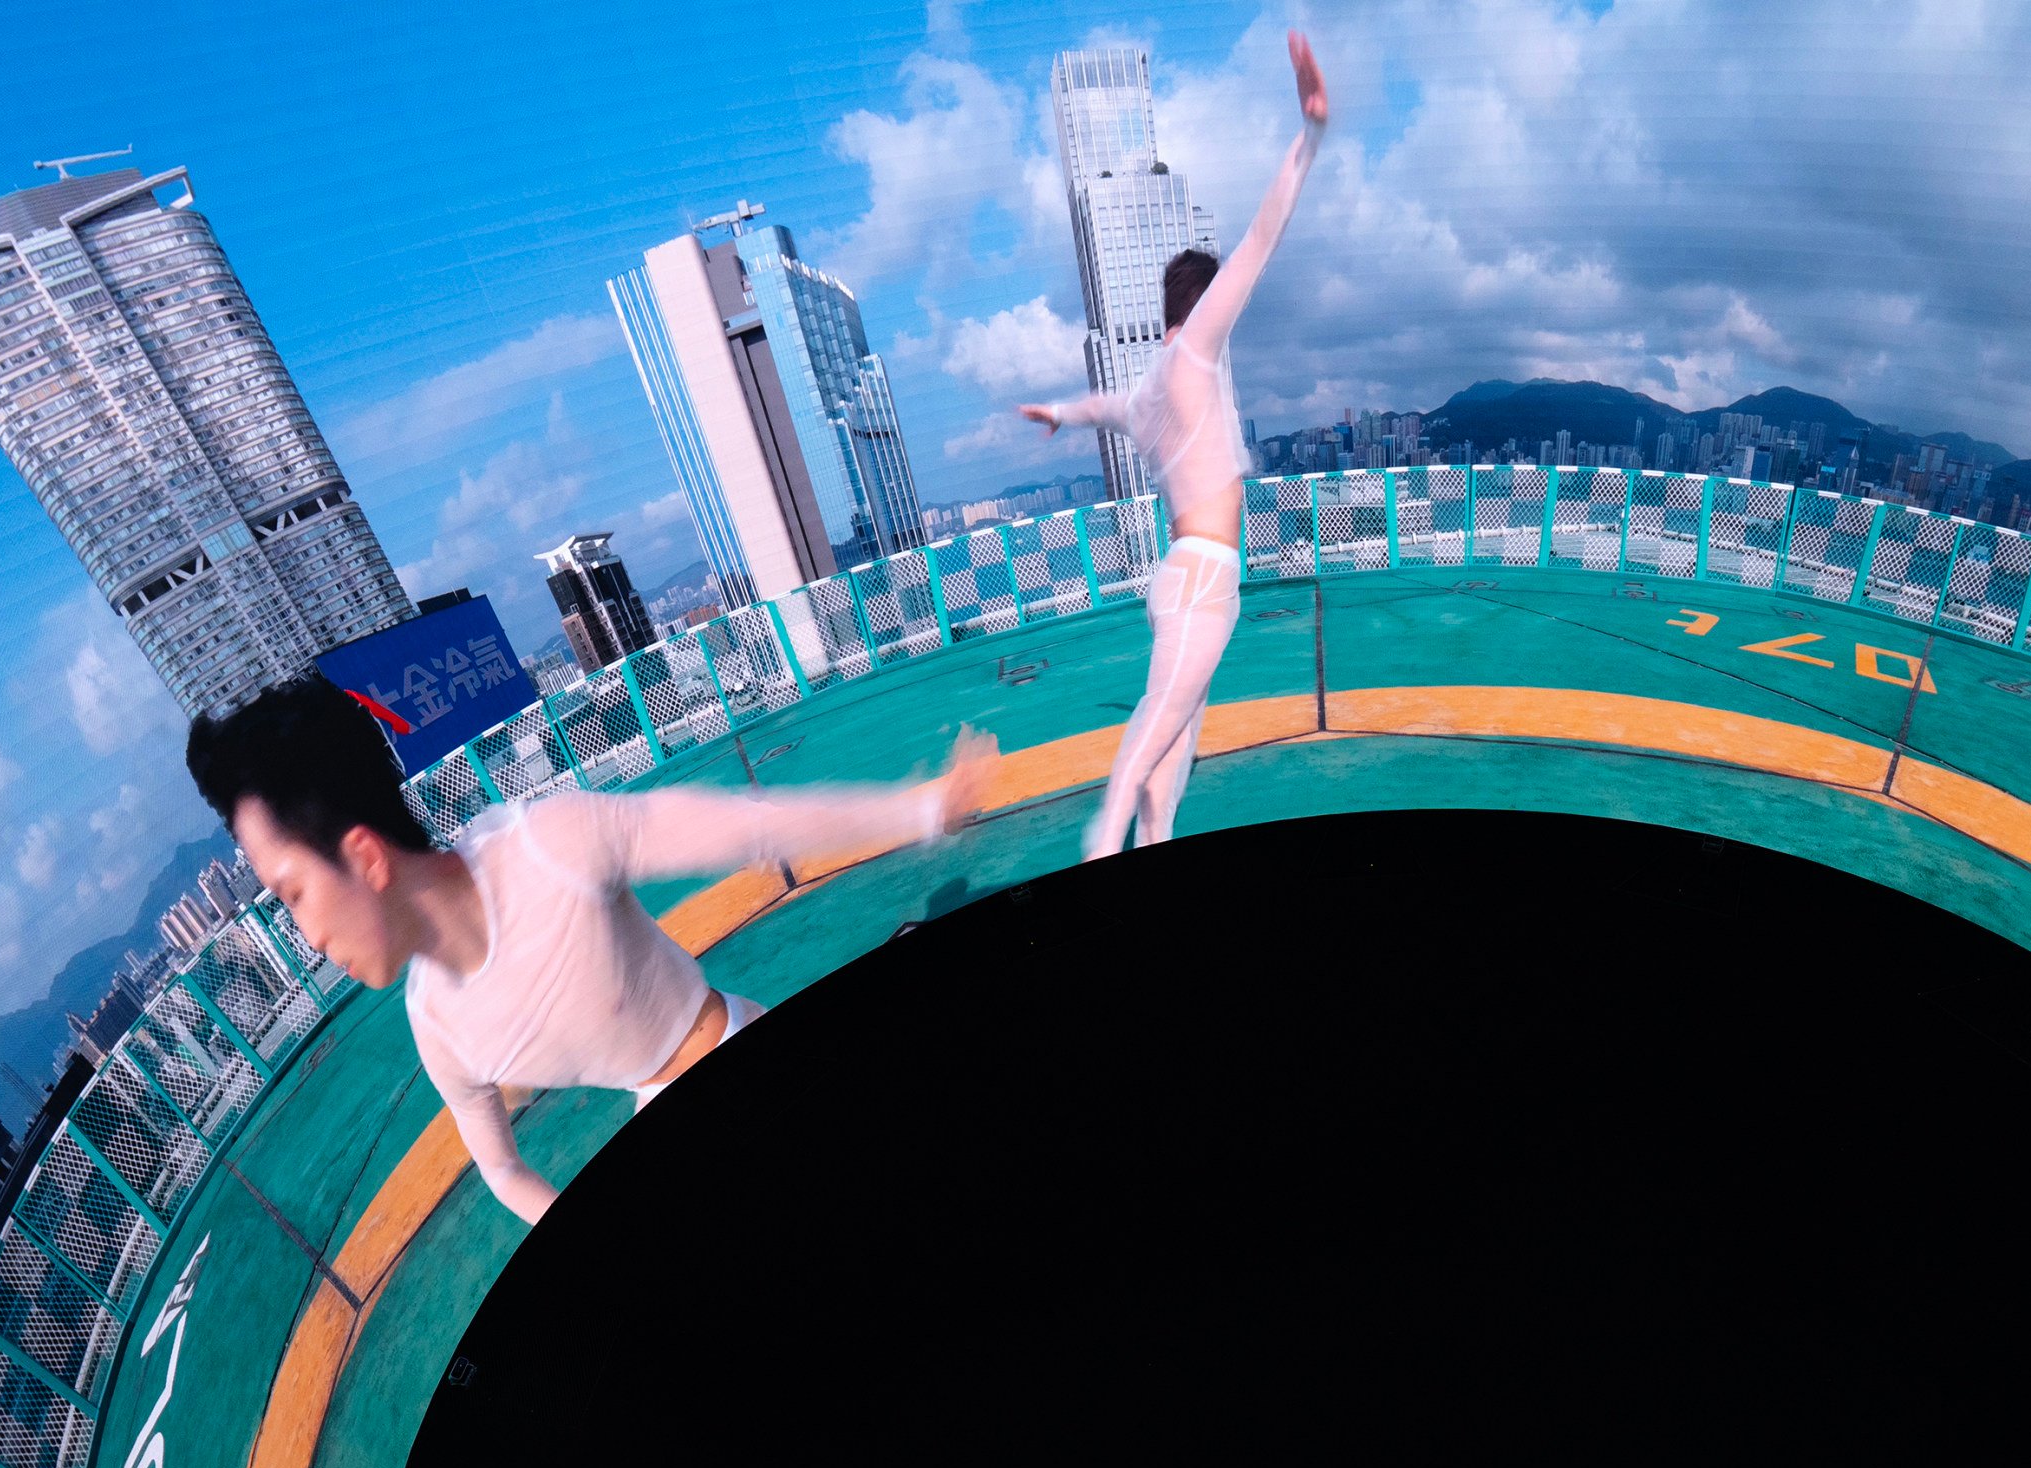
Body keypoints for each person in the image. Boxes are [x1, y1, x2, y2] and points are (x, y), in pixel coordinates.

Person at [184, 674, 994, 1224]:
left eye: (291, 892)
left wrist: (926, 808)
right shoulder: (439, 1025)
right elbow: (502, 1171)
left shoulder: (548, 849)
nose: (305, 934)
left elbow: (754, 825)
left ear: (363, 856)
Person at [1018, 29, 1328, 858]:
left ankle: (1140, 841)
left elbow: (1098, 408)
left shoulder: (1149, 389)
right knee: (1151, 741)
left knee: (1173, 757)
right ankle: (1102, 845)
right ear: (1201, 307)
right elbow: (1261, 243)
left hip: (1183, 580)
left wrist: (1055, 412)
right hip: (1202, 583)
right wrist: (1308, 137)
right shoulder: (1196, 353)